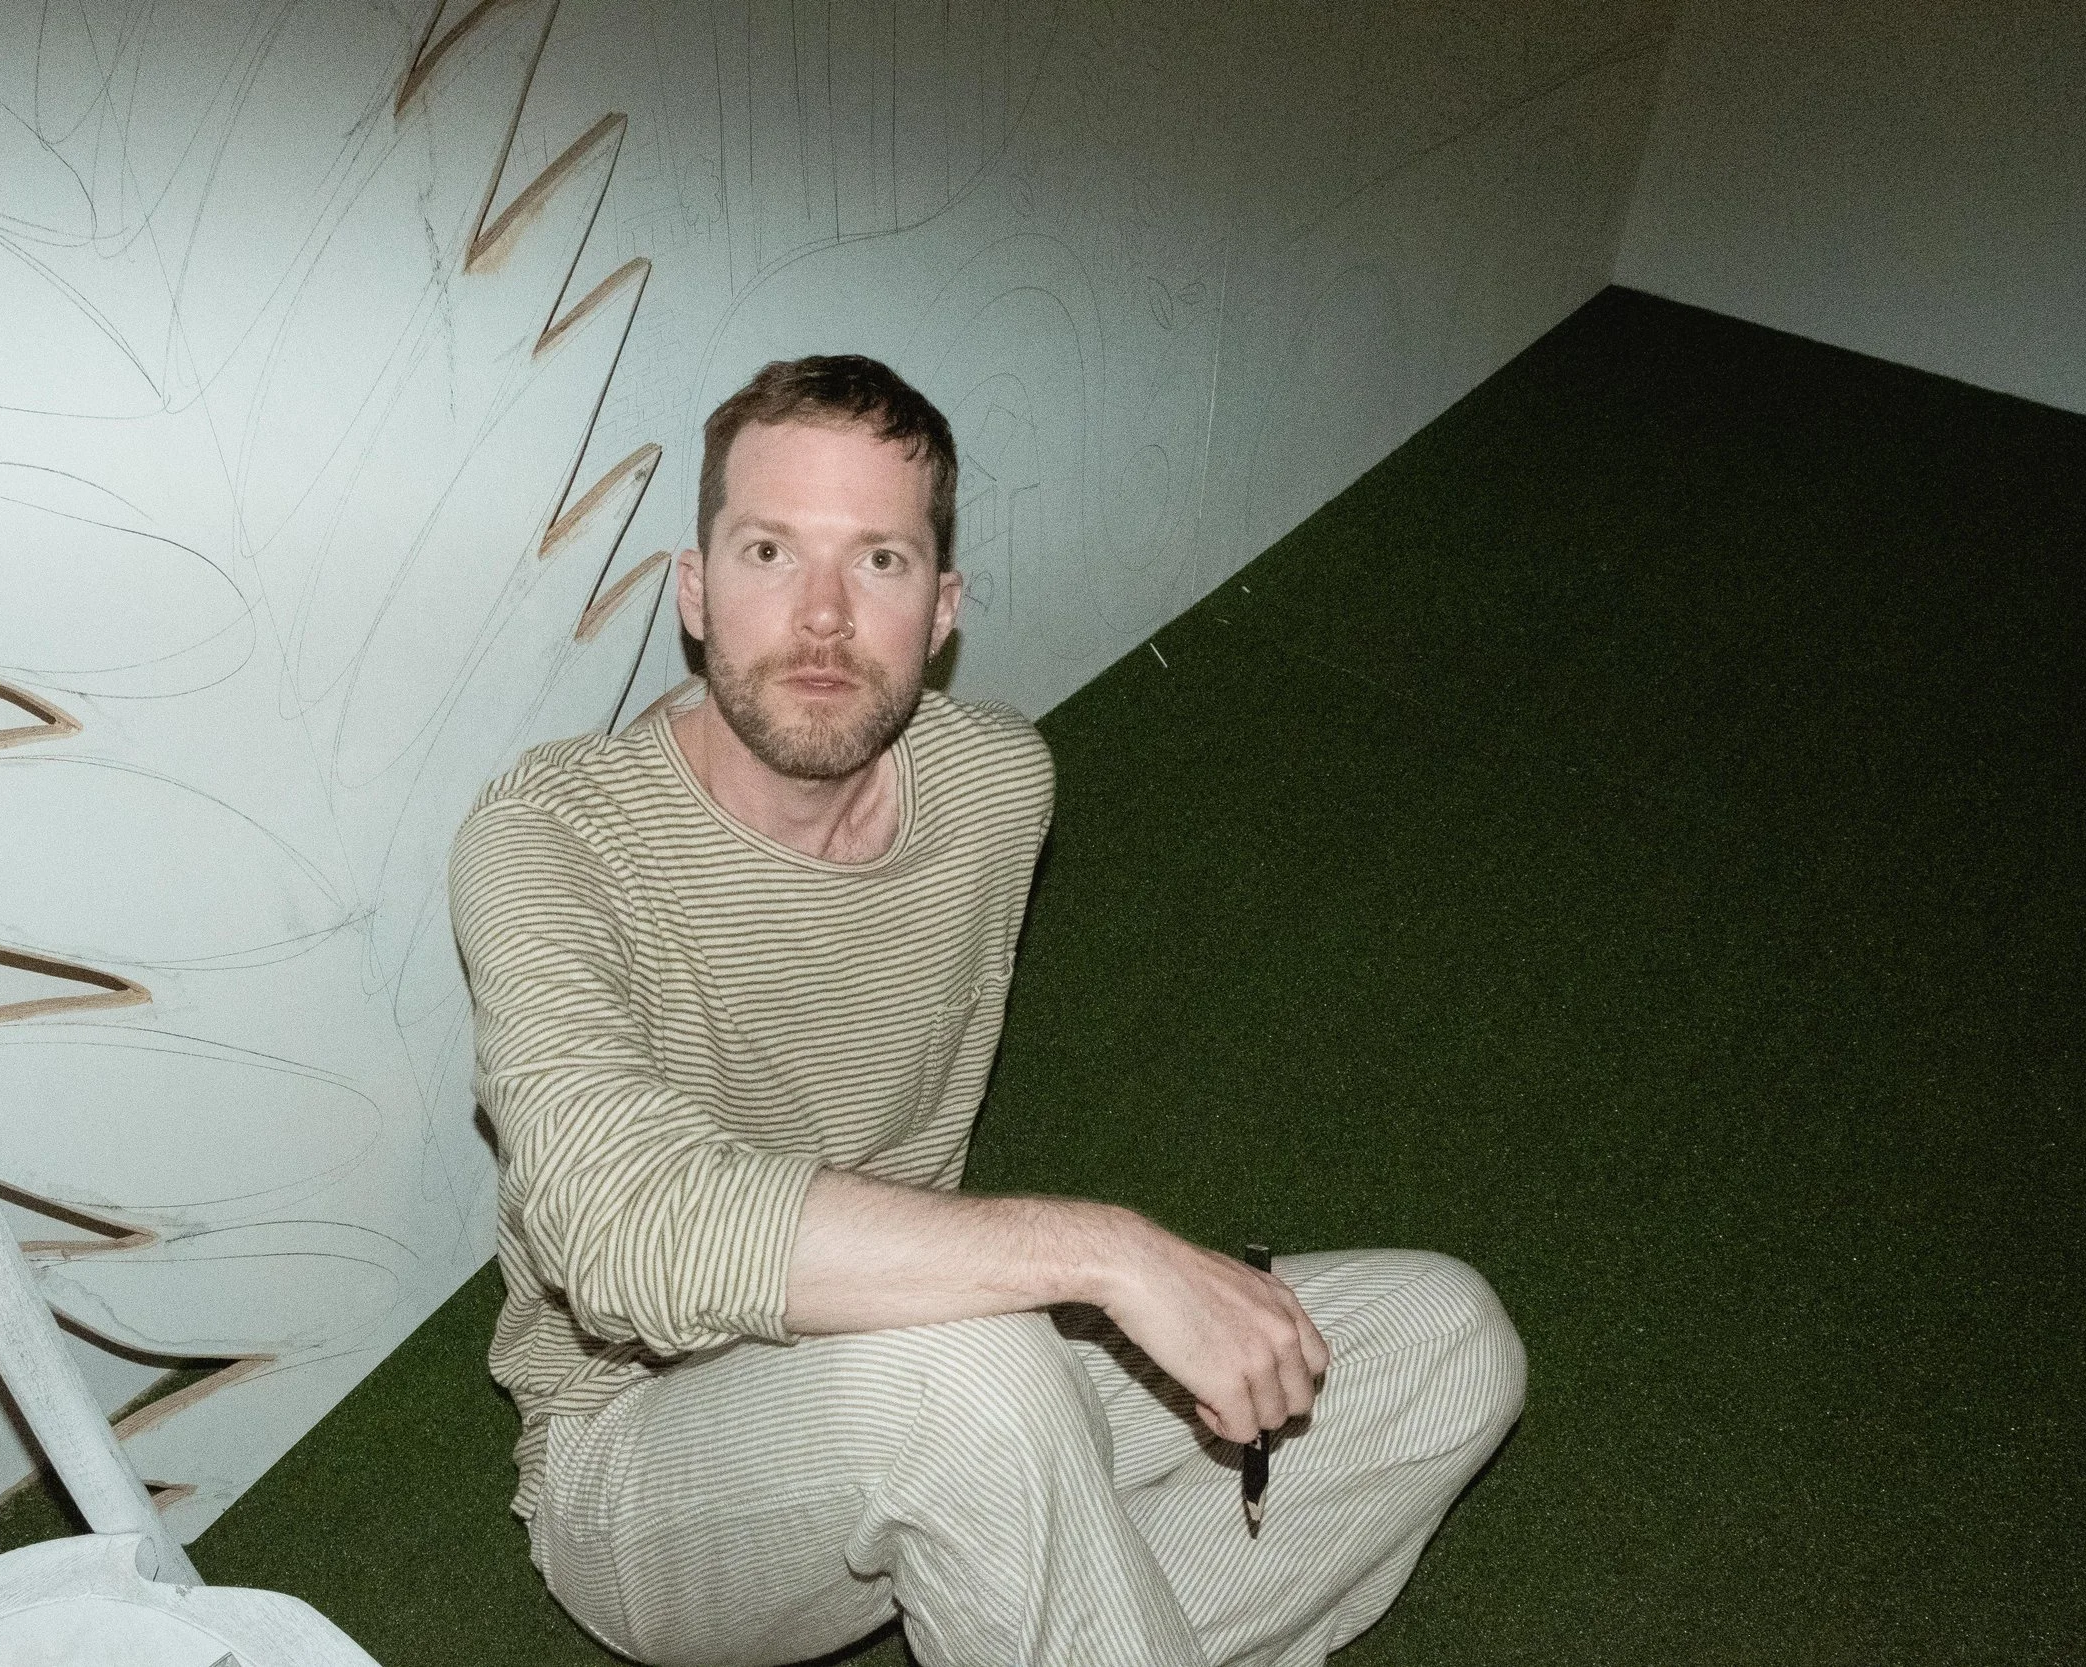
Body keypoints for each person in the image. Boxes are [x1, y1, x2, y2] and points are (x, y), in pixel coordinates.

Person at [447, 355, 1525, 1667]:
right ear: (694, 588)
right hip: (646, 1464)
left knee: (1447, 1344)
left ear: (943, 607)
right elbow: (625, 1234)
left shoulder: (998, 787)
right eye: (771, 550)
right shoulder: (551, 835)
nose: (826, 615)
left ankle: (1056, 1612)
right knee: (972, 1369)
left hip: (940, 1348)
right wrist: (1116, 1254)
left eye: (882, 563)